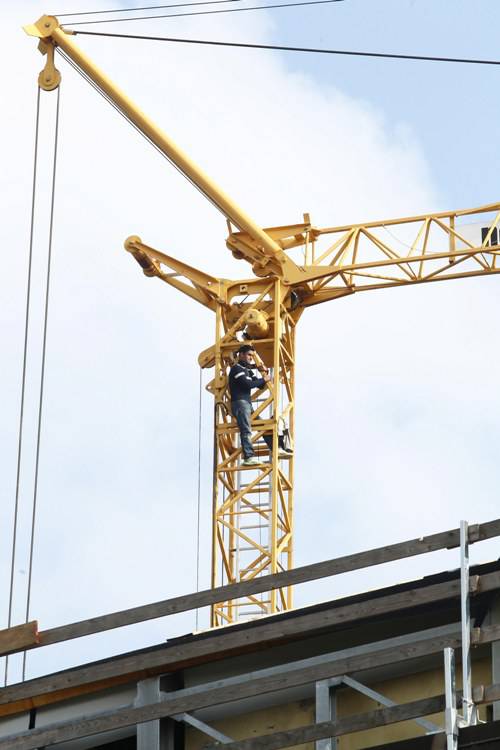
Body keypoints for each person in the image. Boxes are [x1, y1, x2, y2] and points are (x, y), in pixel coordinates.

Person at [229, 344, 292, 466]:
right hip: (240, 404)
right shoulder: (237, 369)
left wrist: (263, 372)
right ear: (241, 355)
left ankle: (277, 449)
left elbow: (260, 385)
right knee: (246, 430)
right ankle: (248, 457)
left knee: (263, 426)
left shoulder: (246, 370)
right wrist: (265, 379)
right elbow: (247, 384)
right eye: (249, 355)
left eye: (252, 356)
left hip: (247, 405)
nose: (251, 358)